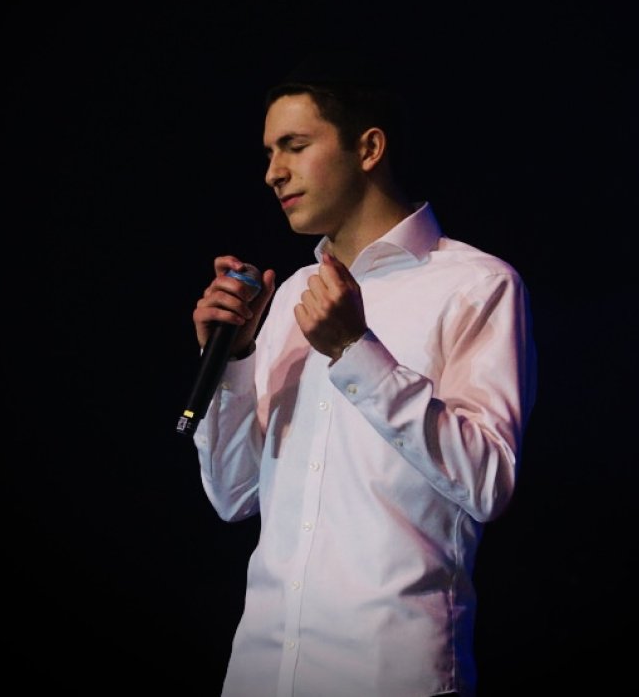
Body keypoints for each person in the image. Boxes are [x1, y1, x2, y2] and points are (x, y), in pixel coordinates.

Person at [189, 51, 537, 697]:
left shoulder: (475, 285)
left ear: (369, 148)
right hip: (263, 669)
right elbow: (233, 495)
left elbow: (489, 482)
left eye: (294, 146)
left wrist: (355, 350)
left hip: (387, 672)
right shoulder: (292, 297)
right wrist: (234, 359)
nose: (273, 172)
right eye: (269, 153)